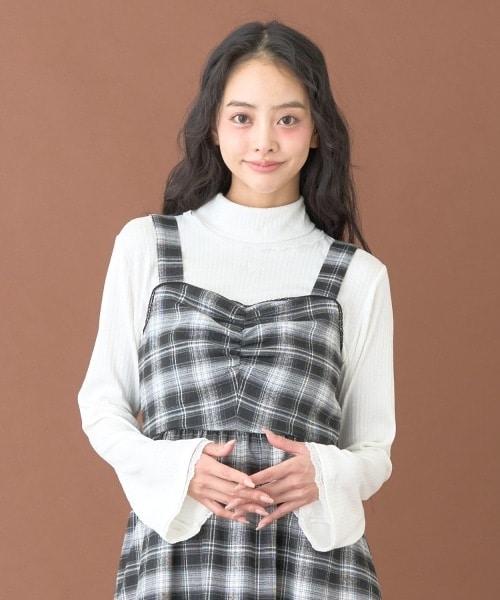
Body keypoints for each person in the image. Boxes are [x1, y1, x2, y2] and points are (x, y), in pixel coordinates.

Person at [77, 19, 396, 600]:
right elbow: (102, 407)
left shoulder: (358, 277)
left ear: (316, 131)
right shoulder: (147, 248)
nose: (264, 142)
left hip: (314, 572)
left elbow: (373, 451)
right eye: (243, 117)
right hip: (173, 565)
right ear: (214, 126)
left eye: (288, 119)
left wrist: (322, 473)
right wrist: (179, 469)